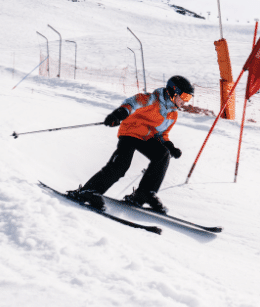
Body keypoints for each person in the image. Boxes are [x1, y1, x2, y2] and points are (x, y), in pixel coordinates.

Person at [67, 75, 194, 213]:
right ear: (172, 91)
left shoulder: (172, 115)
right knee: (121, 165)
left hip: (146, 138)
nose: (186, 101)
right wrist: (119, 114)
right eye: (185, 96)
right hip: (130, 132)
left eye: (189, 98)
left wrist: (170, 146)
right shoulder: (152, 99)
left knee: (163, 154)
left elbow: (161, 134)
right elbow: (132, 103)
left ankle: (144, 193)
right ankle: (89, 191)